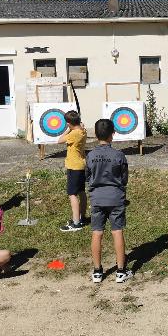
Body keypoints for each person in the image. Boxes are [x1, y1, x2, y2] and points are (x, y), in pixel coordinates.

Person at [87, 119, 133, 283]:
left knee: (97, 232)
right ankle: (121, 271)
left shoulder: (90, 155)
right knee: (117, 231)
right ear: (113, 134)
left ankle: (97, 272)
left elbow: (88, 176)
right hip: (115, 197)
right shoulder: (119, 155)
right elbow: (124, 178)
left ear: (96, 134)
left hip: (97, 198)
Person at [59, 110, 88, 232]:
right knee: (81, 191)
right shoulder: (82, 131)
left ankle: (76, 223)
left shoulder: (73, 134)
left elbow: (59, 140)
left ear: (69, 123)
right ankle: (81, 217)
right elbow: (79, 128)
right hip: (81, 165)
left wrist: (67, 129)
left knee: (72, 194)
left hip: (74, 167)